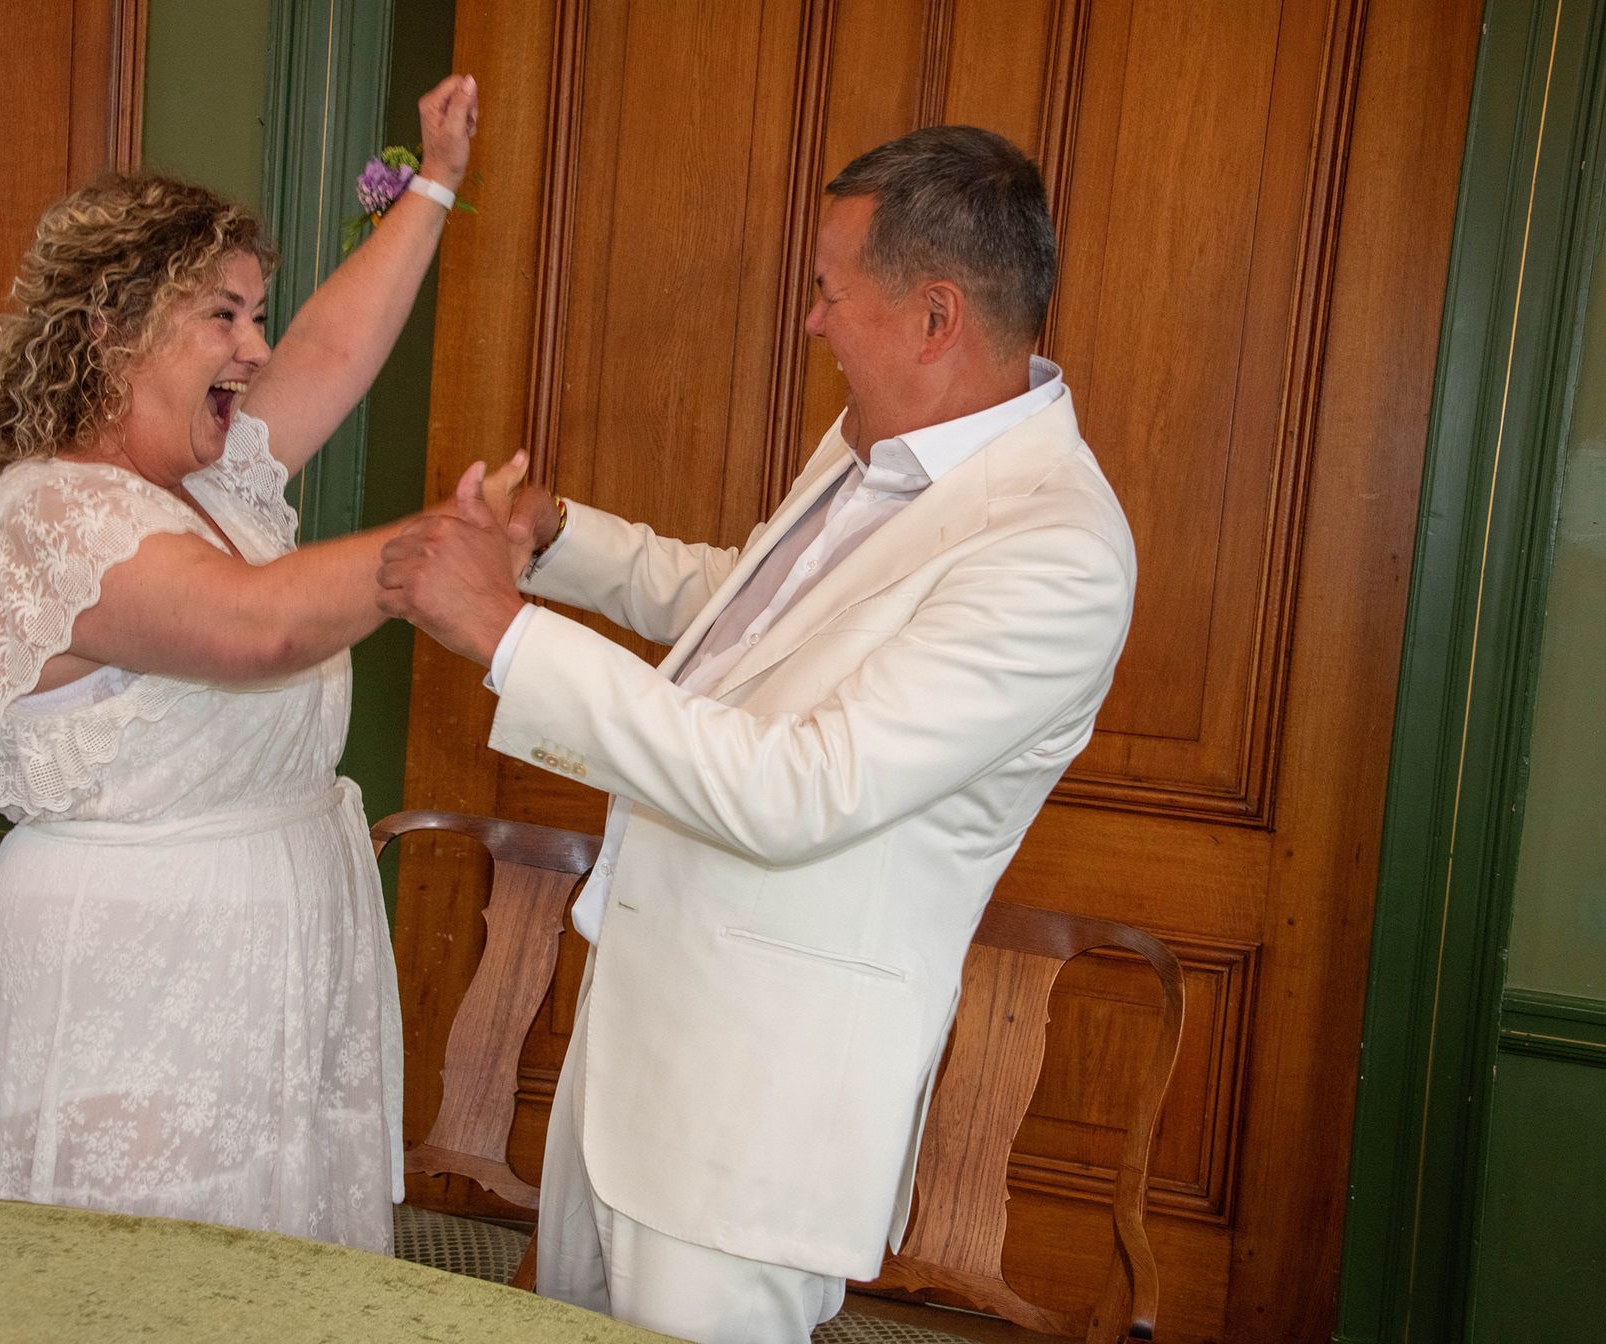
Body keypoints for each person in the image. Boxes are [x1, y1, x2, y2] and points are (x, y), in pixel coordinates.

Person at [375, 125, 1136, 1341]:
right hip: (632, 1054)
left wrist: (509, 637)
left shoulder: (1057, 553)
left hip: (756, 1121)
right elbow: (758, 614)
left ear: (935, 317)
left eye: (831, 292)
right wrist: (559, 542)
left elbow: (802, 788)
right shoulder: (873, 442)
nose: (814, 322)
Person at [0, 76, 501, 1253]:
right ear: (113, 328)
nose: (257, 347)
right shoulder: (52, 514)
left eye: (256, 314)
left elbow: (333, 349)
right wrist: (431, 554)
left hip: (271, 960)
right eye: (224, 316)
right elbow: (254, 629)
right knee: (141, 1280)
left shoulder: (214, 484)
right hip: (137, 981)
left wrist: (436, 182)